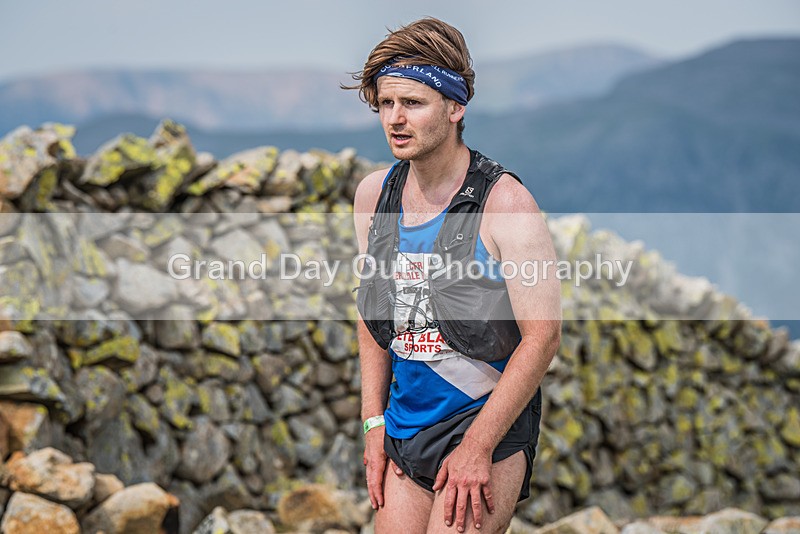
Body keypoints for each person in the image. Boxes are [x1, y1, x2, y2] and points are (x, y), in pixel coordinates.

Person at [345, 17, 562, 534]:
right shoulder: (374, 197)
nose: (395, 119)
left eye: (413, 103)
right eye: (386, 103)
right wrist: (373, 421)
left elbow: (543, 336)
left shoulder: (506, 204)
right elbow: (373, 314)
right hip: (404, 425)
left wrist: (478, 446)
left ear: (455, 106)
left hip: (484, 425)